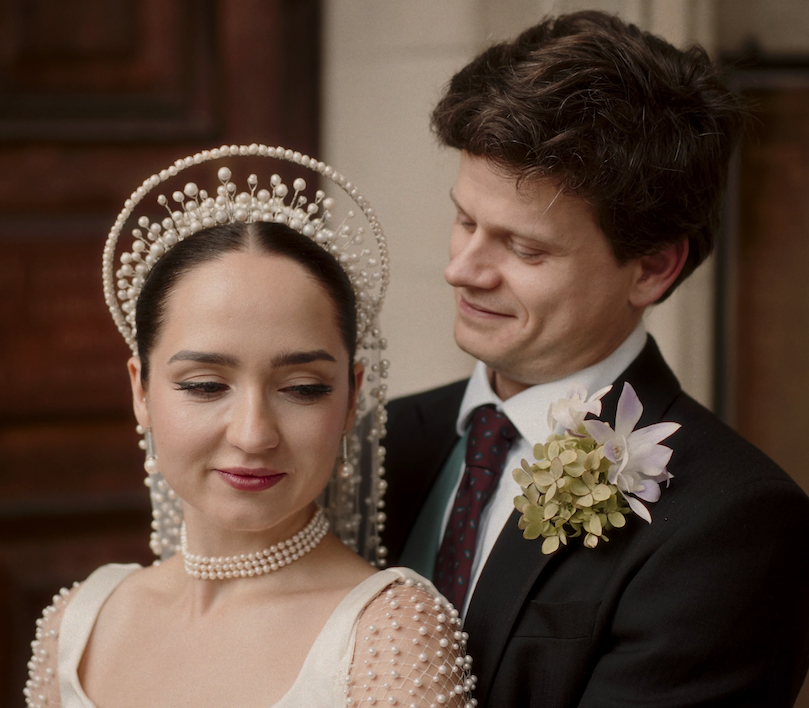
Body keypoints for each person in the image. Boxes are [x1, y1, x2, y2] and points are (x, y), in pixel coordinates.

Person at [383, 11, 809, 707]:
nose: (462, 271)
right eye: (465, 220)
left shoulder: (732, 525)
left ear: (651, 267)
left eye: (523, 249)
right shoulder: (370, 442)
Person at [24, 147, 475, 708]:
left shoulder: (391, 635)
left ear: (353, 395)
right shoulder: (76, 627)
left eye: (303, 388)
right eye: (206, 386)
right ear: (140, 389)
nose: (253, 434)